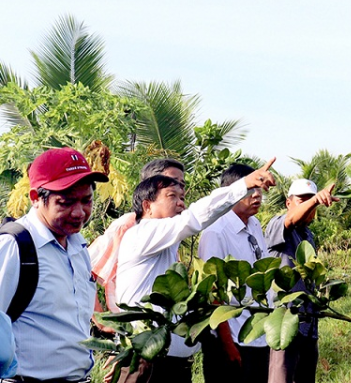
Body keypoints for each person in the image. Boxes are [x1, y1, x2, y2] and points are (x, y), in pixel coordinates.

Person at [114, 158, 276, 383]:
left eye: (182, 197)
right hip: (147, 363)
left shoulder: (167, 245)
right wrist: (243, 185)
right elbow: (195, 217)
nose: (181, 204)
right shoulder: (143, 233)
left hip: (172, 363)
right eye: (172, 196)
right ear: (147, 205)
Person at [0, 147, 109, 382]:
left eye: (86, 200)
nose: (79, 212)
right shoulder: (15, 246)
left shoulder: (78, 246)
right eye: (66, 202)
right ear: (35, 198)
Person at [198, 163, 271, 383]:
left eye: (259, 190)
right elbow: (212, 292)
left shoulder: (255, 224)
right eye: (251, 190)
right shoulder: (215, 231)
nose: (257, 195)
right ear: (232, 192)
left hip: (258, 336)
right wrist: (227, 345)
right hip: (232, 341)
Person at [266, 179, 339, 383]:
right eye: (302, 201)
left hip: (308, 325)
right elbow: (290, 220)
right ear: (289, 203)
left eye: (312, 202)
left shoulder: (308, 235)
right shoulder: (277, 224)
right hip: (284, 321)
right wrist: (315, 199)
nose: (309, 207)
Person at [89, 158, 185, 313]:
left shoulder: (170, 226)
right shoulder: (127, 225)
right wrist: (100, 320)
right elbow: (88, 269)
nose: (180, 189)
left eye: (182, 184)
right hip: (132, 322)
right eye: (173, 182)